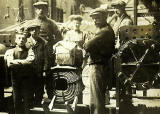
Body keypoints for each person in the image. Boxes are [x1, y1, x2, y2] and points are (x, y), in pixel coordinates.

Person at [83, 7, 115, 114]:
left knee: (96, 99)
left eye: (97, 18)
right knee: (97, 97)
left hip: (98, 66)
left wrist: (88, 42)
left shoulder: (104, 31)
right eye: (93, 18)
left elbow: (87, 45)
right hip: (101, 65)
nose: (95, 20)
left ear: (105, 17)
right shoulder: (105, 29)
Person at [32, 1, 63, 99]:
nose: (41, 10)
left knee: (49, 74)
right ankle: (38, 97)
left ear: (46, 10)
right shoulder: (32, 23)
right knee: (37, 74)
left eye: (43, 8)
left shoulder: (51, 23)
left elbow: (59, 37)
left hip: (48, 52)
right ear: (35, 10)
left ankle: (51, 96)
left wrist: (52, 45)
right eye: (38, 8)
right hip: (36, 52)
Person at [4, 28, 35, 114]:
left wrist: (16, 62)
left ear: (26, 40)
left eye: (23, 38)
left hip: (26, 79)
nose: (21, 40)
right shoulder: (10, 51)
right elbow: (10, 63)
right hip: (15, 79)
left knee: (26, 101)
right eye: (19, 38)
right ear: (16, 40)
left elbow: (30, 60)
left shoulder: (30, 50)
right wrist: (23, 62)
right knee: (16, 100)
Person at [26, 23, 47, 106]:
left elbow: (46, 58)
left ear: (39, 30)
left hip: (39, 69)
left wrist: (45, 70)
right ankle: (30, 106)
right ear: (30, 31)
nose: (34, 31)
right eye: (32, 29)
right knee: (29, 87)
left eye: (36, 29)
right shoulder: (26, 41)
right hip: (29, 69)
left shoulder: (43, 42)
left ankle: (38, 105)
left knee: (39, 89)